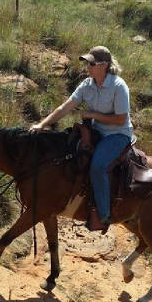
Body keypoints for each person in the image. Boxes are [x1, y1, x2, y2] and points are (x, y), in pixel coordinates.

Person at [30, 45, 133, 231]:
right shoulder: (87, 85)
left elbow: (121, 119)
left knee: (98, 166)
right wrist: (42, 124)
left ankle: (103, 215)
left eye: (92, 63)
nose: (88, 67)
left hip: (118, 134)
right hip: (97, 131)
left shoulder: (119, 86)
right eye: (87, 63)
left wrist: (93, 115)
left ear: (104, 65)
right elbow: (64, 107)